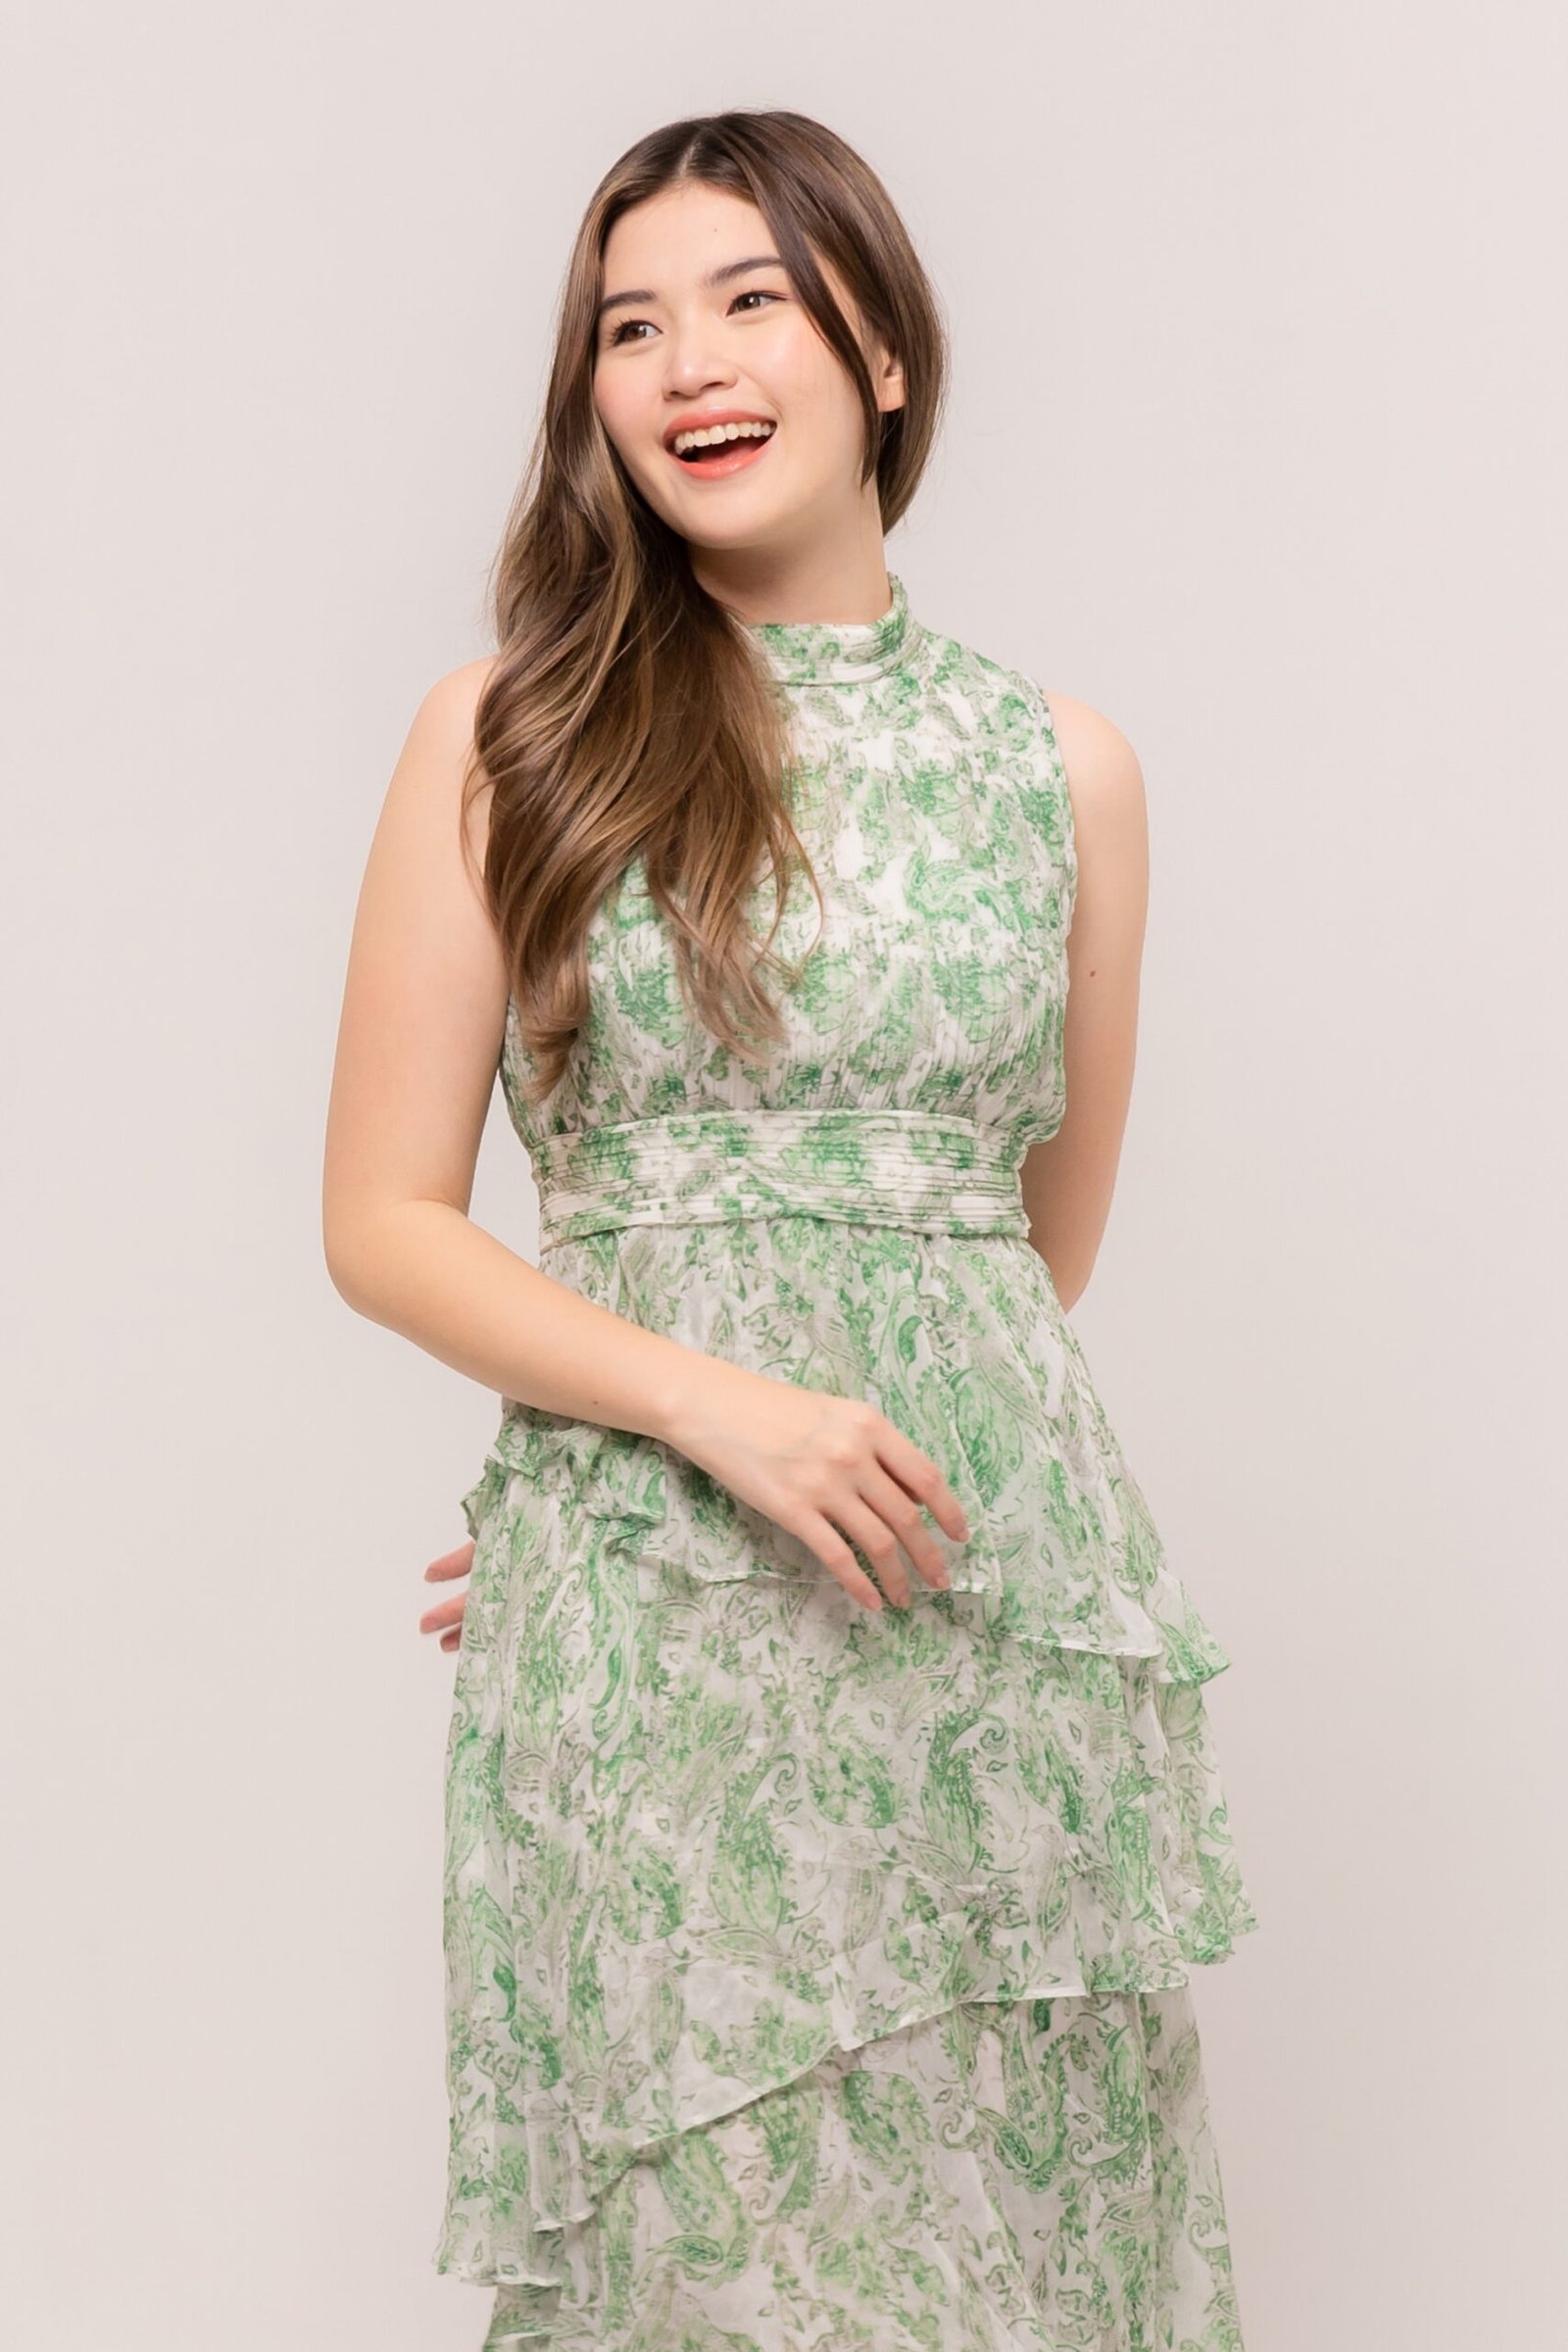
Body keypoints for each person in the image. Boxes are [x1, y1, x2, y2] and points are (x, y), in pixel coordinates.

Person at [324, 106, 1261, 2352]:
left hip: (976, 1602)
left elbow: (1017, 1259)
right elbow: (380, 1219)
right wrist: (663, 1439)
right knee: (718, 2267)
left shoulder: (1063, 768)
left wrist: (792, 1453)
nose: (689, 365)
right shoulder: (510, 735)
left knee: (1027, 2254)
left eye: (748, 298)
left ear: (882, 351)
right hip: (659, 1637)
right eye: (628, 326)